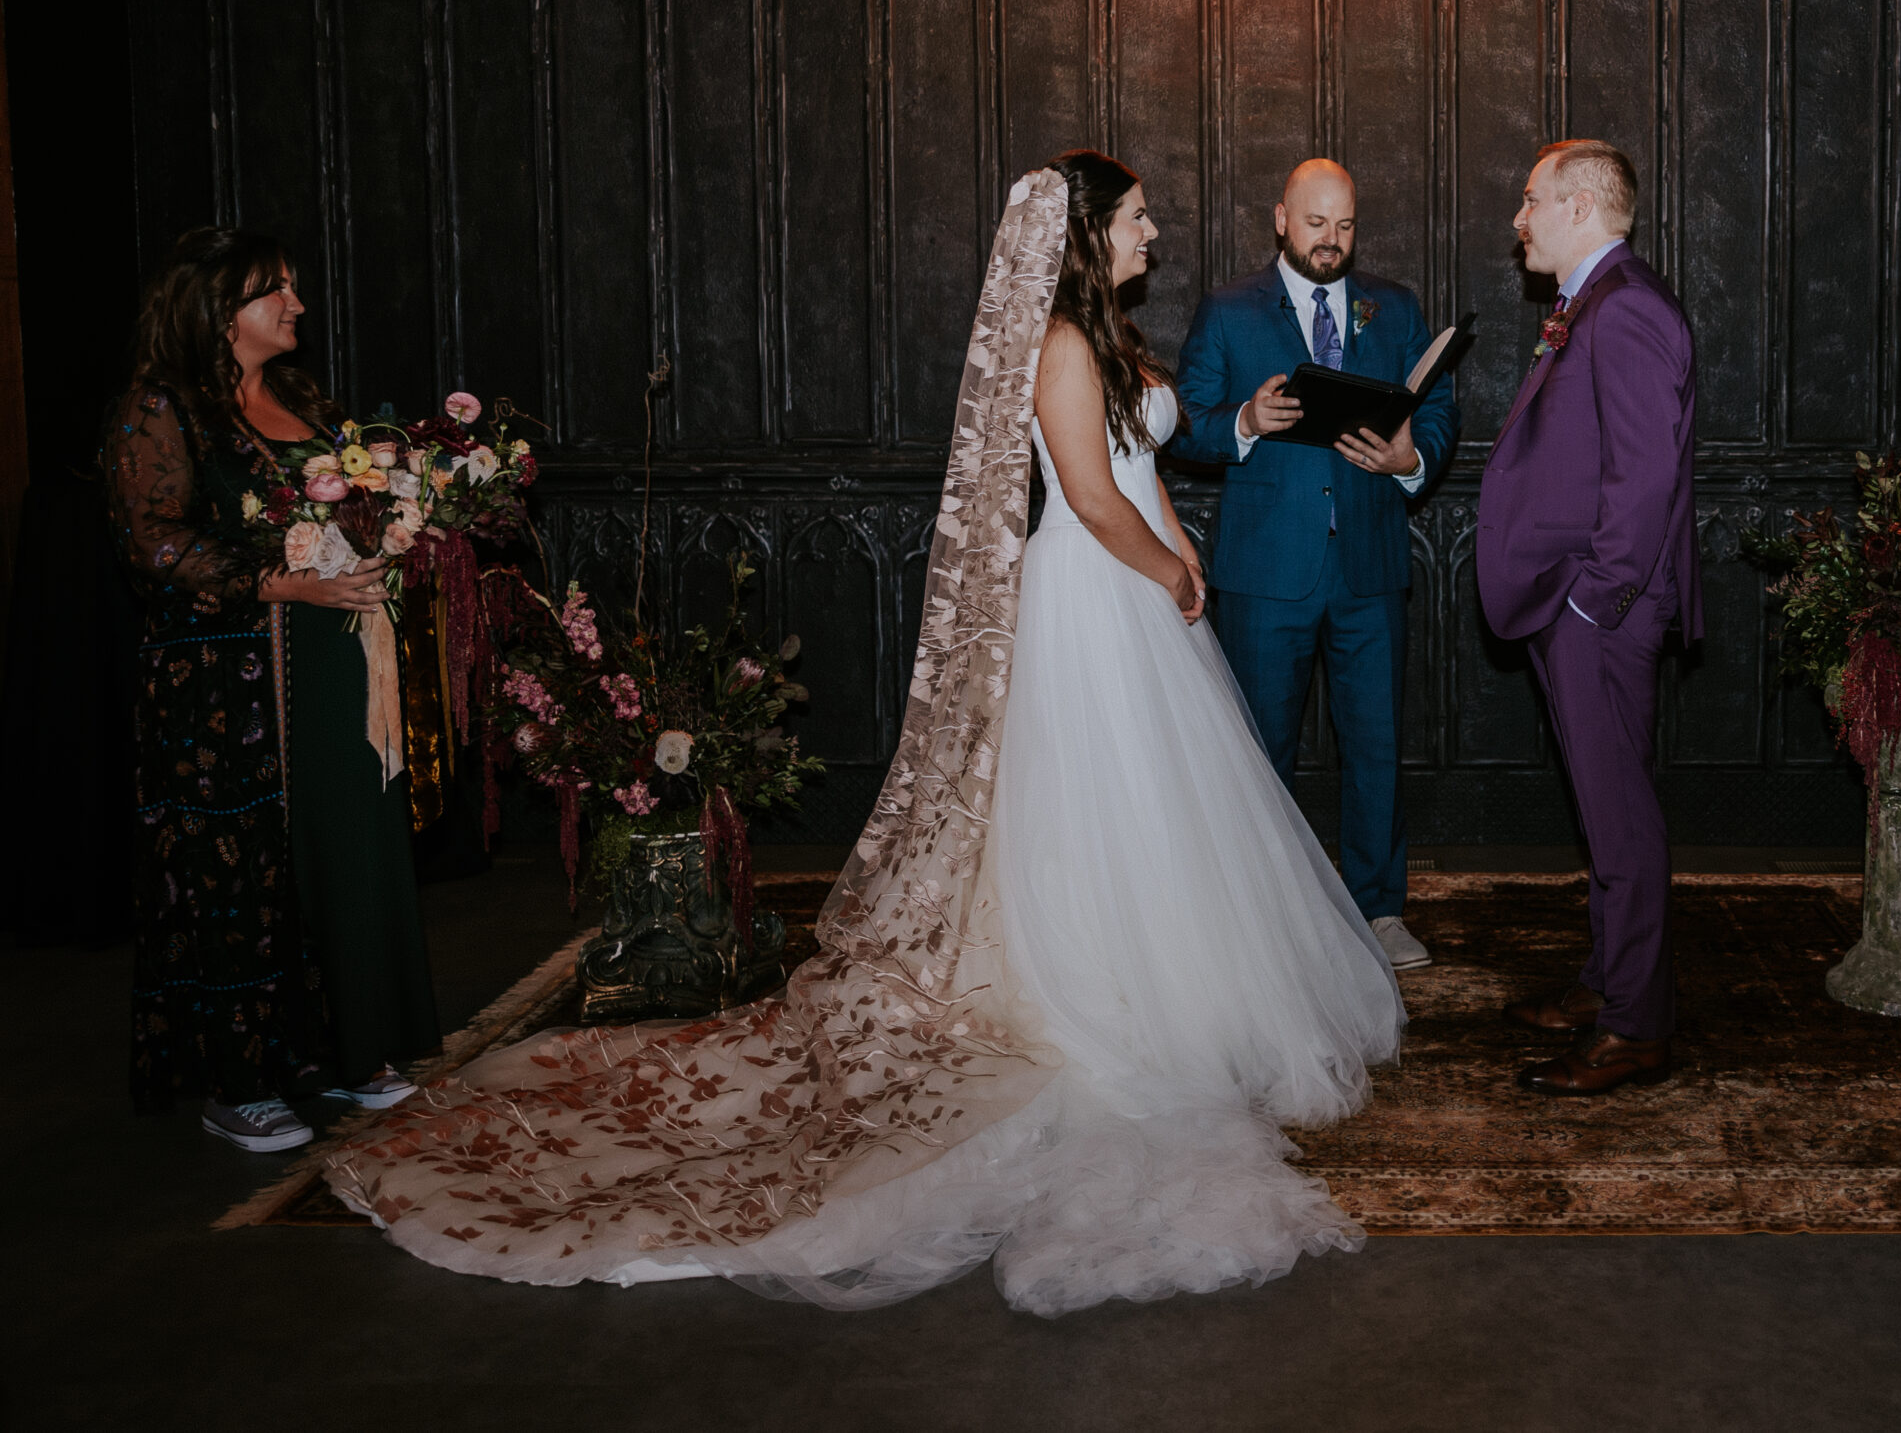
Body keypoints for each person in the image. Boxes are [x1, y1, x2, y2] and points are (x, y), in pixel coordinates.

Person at [324, 155, 1404, 1317]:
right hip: (1102, 597)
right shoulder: (1059, 343)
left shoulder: (1106, 333)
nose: (1155, 231)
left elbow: (1133, 472)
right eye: (1138, 217)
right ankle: (1112, 1001)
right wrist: (1173, 569)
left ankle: (1188, 988)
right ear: (1088, 234)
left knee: (1167, 813)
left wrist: (1175, 554)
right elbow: (1089, 498)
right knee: (1108, 808)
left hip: (1143, 586)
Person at [106, 227, 439, 1153]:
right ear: (219, 311)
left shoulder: (296, 396)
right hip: (227, 687)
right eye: (273, 292)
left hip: (330, 671)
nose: (295, 304)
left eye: (291, 287)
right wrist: (281, 584)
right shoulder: (163, 407)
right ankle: (237, 1079)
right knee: (242, 871)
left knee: (338, 851)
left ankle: (348, 1046)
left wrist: (398, 523)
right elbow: (152, 540)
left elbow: (353, 503)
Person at [1166, 158, 1458, 970]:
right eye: (1316, 223)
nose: (1332, 241)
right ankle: (1264, 915)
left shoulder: (1393, 307)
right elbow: (1185, 422)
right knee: (1261, 751)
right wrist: (1246, 421)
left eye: (1346, 225)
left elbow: (1437, 407)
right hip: (1265, 575)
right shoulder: (1228, 310)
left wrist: (1411, 458)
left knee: (1375, 745)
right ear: (1281, 219)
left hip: (1369, 568)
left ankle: (1379, 911)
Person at [1475, 140, 1702, 1097]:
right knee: (1601, 814)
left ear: (1577, 205)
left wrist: (1589, 603)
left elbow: (1643, 480)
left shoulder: (1631, 308)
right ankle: (1608, 985)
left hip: (1599, 609)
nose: (1518, 220)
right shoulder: (1592, 304)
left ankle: (1635, 1027)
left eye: (1529, 201)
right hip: (1578, 605)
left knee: (1623, 824)